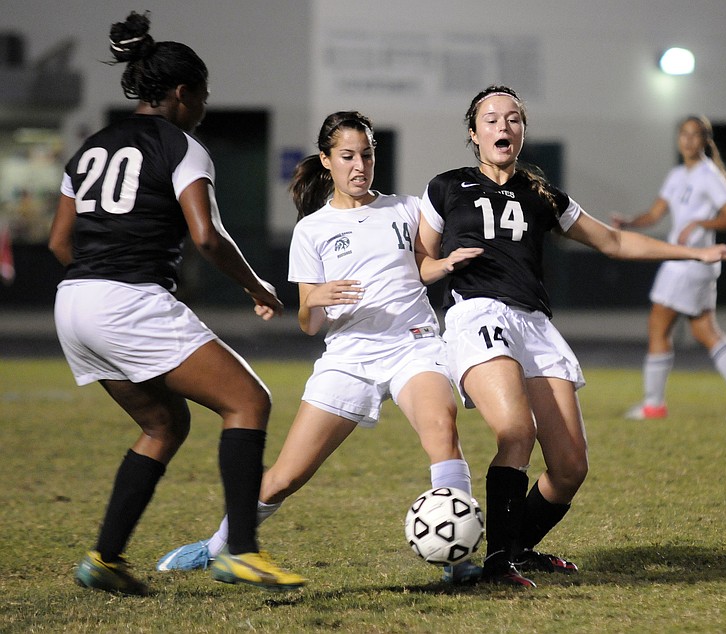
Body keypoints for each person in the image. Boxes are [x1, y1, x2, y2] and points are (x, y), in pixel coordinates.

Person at [416, 85, 726, 588]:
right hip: (478, 311)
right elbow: (419, 262)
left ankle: (518, 547)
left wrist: (697, 254)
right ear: (473, 132)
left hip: (533, 322)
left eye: (512, 119)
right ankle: (496, 564)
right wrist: (443, 263)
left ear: (522, 131)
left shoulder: (542, 194)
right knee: (515, 431)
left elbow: (613, 241)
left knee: (571, 465)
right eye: (490, 119)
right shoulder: (446, 186)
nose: (502, 127)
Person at [156, 111, 485, 584]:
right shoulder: (312, 230)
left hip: (413, 345)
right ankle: (216, 547)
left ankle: (458, 559)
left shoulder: (406, 210)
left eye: (367, 155)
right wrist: (319, 299)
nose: (360, 166)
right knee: (286, 477)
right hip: (349, 357)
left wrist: (445, 263)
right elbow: (310, 322)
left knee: (443, 426)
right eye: (348, 156)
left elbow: (420, 267)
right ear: (327, 161)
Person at [48, 11, 304, 595]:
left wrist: (96, 289)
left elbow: (61, 242)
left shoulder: (91, 145)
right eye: (204, 95)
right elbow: (206, 235)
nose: (205, 107)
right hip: (126, 300)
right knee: (249, 402)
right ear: (183, 93)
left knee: (163, 424)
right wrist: (255, 287)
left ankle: (105, 559)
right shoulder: (181, 146)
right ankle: (240, 551)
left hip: (73, 302)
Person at [612, 115, 726, 424]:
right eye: (683, 134)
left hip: (689, 263)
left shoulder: (709, 175)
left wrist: (700, 222)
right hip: (690, 263)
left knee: (659, 327)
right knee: (704, 330)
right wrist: (629, 222)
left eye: (695, 135)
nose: (687, 140)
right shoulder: (677, 175)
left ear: (704, 142)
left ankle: (654, 404)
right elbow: (657, 213)